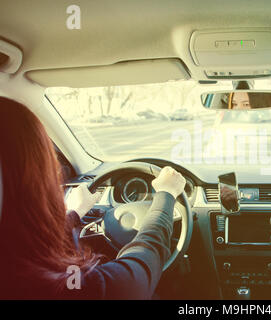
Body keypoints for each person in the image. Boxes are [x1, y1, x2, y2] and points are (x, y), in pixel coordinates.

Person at [0, 97, 185, 299]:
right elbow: (138, 273)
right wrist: (166, 195)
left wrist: (75, 213)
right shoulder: (68, 286)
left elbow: (30, 242)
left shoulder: (15, 268)